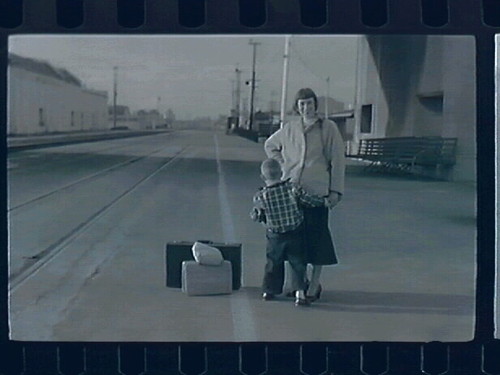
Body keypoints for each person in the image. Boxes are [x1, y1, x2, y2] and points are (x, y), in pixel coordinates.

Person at [264, 87, 346, 302]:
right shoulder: (289, 128)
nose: (306, 108)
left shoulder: (328, 128)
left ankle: (314, 284)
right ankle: (296, 284)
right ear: (297, 107)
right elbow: (270, 145)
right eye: (302, 104)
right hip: (293, 192)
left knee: (318, 240)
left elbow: (338, 160)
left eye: (309, 103)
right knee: (295, 242)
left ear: (315, 105)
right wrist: (284, 165)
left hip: (318, 191)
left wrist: (336, 191)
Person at [250, 158, 325, 306]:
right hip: (295, 233)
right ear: (282, 173)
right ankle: (300, 294)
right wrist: (323, 201)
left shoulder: (260, 196)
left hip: (275, 236)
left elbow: (257, 215)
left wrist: (257, 215)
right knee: (298, 264)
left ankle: (269, 291)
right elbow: (308, 200)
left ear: (263, 177)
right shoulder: (292, 188)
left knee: (273, 263)